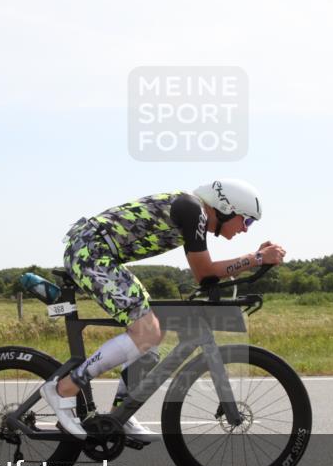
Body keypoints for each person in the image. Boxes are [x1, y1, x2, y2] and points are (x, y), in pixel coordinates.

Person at [41, 179, 286, 439]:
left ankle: (121, 414)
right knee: (147, 332)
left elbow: (207, 275)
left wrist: (252, 260)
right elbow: (204, 273)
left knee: (151, 342)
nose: (245, 230)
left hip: (99, 253)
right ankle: (65, 388)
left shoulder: (195, 214)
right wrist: (256, 258)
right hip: (90, 253)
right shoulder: (194, 210)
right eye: (246, 221)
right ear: (226, 207)